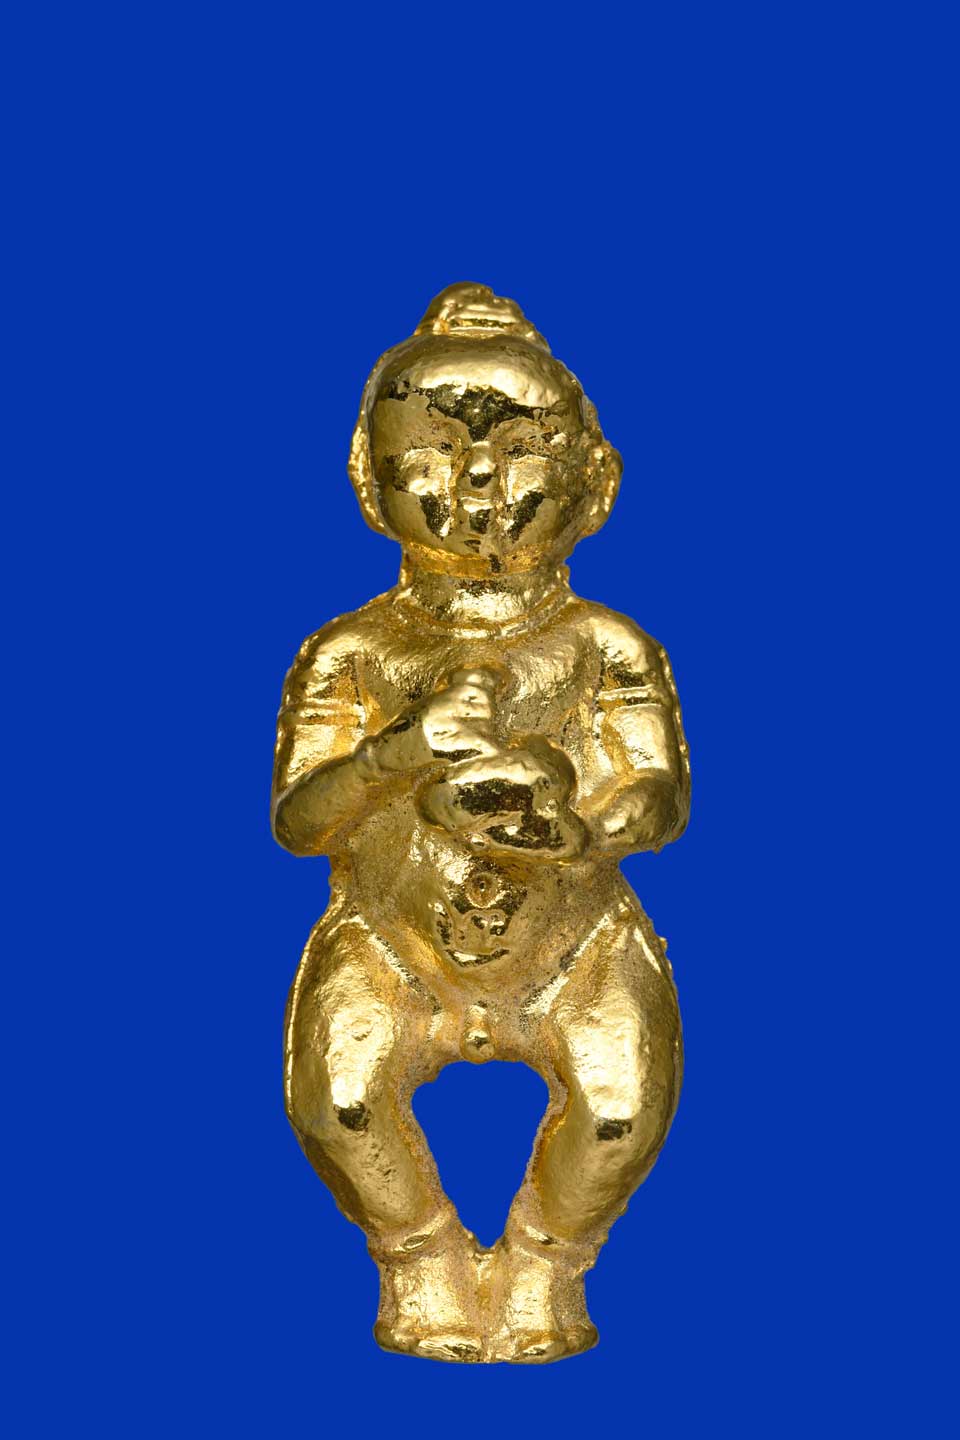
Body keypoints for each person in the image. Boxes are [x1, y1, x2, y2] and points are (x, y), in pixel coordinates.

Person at [273, 283, 690, 1363]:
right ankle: (420, 1259)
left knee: (620, 1107)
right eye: (429, 451)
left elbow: (659, 793)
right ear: (368, 480)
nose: (472, 482)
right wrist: (398, 753)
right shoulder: (353, 652)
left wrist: (586, 831)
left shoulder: (605, 646)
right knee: (339, 1099)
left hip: (574, 947)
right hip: (392, 946)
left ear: (595, 482)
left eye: (518, 452)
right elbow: (301, 822)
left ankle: (546, 1263)